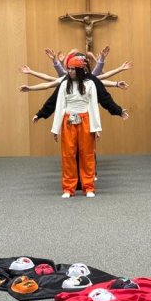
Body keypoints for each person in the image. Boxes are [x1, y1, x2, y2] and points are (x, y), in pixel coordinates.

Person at [51, 54, 102, 199]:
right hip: (68, 121)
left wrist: (96, 128)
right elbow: (60, 106)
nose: (70, 71)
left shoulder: (90, 84)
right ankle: (68, 188)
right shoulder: (64, 85)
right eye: (68, 69)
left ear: (79, 70)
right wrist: (56, 128)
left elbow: (93, 107)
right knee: (68, 155)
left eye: (73, 69)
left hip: (85, 120)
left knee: (87, 154)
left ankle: (88, 186)